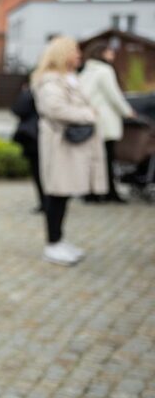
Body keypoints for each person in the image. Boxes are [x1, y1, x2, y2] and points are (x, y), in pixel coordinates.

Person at [32, 36, 107, 266]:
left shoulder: (69, 79)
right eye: (75, 51)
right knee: (56, 194)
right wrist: (88, 114)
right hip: (60, 146)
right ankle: (52, 243)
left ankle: (59, 240)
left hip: (69, 146)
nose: (79, 55)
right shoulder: (50, 81)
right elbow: (55, 108)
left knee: (63, 195)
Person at [79, 41, 136, 203]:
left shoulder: (86, 71)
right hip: (105, 121)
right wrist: (128, 112)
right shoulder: (105, 71)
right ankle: (109, 192)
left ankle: (92, 192)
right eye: (110, 51)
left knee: (94, 159)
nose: (113, 54)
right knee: (107, 159)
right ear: (102, 53)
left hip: (91, 119)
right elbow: (114, 96)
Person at [12, 83, 46, 213]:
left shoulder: (33, 89)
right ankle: (47, 201)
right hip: (36, 136)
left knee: (38, 171)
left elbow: (17, 110)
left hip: (34, 136)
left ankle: (45, 201)